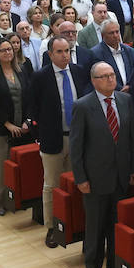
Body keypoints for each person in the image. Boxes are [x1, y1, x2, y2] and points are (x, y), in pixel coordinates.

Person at [70, 62, 134, 268]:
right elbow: (76, 147)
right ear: (93, 81)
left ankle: (114, 265)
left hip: (121, 175)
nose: (111, 79)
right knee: (95, 227)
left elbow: (130, 139)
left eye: (112, 75)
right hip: (95, 178)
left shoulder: (125, 100)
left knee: (116, 224)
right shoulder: (83, 106)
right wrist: (80, 178)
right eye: (104, 76)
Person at [29, 36, 90, 247]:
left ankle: (75, 223)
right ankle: (52, 227)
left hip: (77, 138)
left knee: (77, 182)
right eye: (60, 52)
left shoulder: (79, 71)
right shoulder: (40, 77)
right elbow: (34, 108)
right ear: (50, 54)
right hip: (53, 138)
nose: (65, 55)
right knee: (52, 184)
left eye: (67, 51)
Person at [0, 40, 31, 215]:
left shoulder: (22, 70)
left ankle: (17, 199)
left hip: (23, 128)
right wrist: (8, 124)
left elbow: (29, 97)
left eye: (9, 49)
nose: (8, 53)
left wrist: (27, 120)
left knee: (19, 167)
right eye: (3, 50)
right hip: (1, 128)